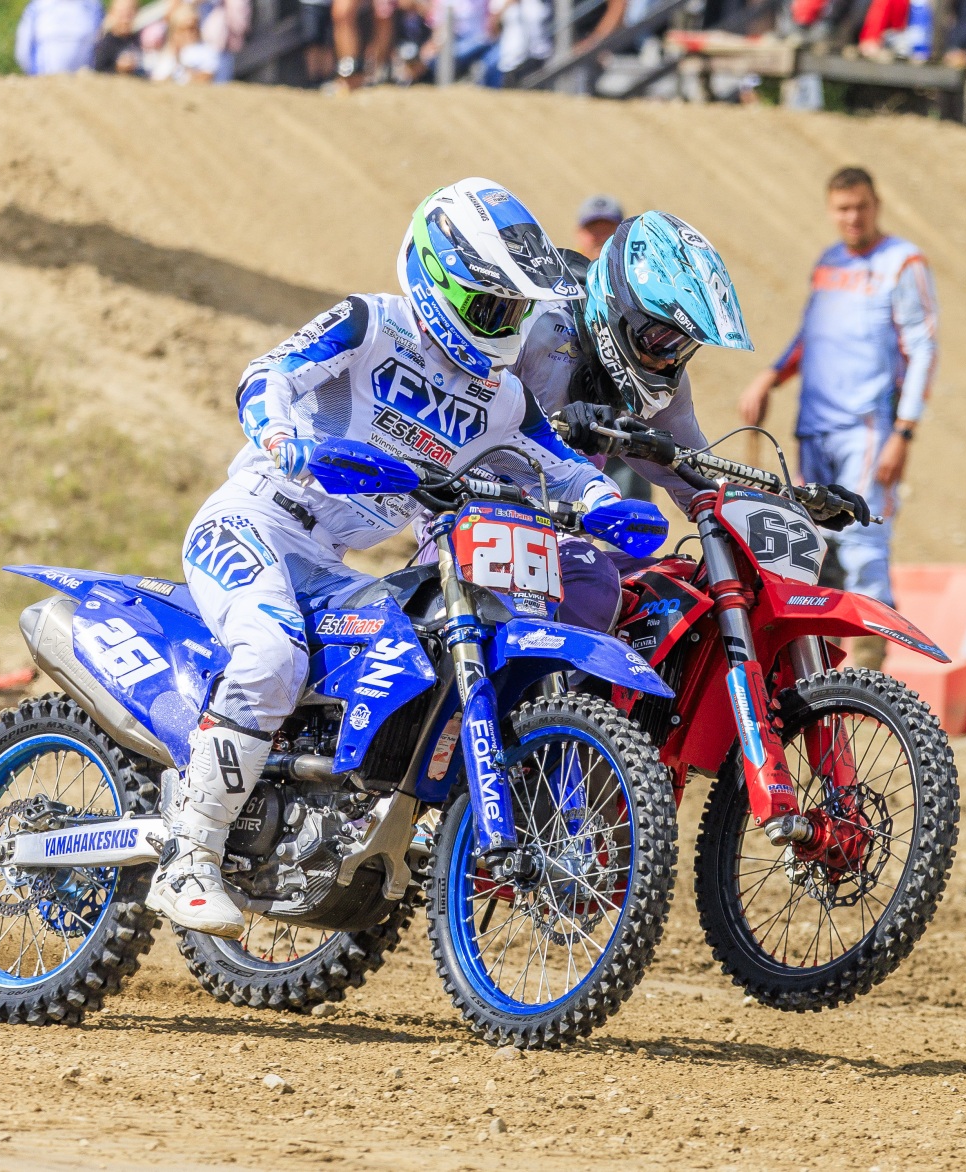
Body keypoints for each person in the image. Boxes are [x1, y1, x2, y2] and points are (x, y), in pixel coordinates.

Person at [151, 178, 630, 937]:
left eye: (515, 310)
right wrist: (284, 437)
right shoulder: (371, 323)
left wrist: (608, 504)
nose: (505, 325)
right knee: (272, 655)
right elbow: (266, 375)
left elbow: (561, 464)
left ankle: (328, 826)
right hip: (254, 521)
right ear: (440, 279)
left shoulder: (501, 398)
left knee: (412, 652)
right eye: (491, 306)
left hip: (332, 561)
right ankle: (189, 857)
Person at [524, 212, 875, 631]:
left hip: (561, 544)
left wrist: (796, 503)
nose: (668, 360)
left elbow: (697, 476)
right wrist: (544, 423)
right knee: (592, 586)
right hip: (482, 525)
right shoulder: (536, 325)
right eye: (661, 340)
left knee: (682, 597)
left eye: (683, 345)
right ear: (617, 308)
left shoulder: (662, 385)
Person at [736, 167, 937, 669]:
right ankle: (819, 667)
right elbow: (811, 337)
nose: (853, 217)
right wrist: (769, 378)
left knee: (864, 537)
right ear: (831, 210)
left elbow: (922, 349)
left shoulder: (902, 262)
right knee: (812, 542)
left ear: (877, 205)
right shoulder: (827, 263)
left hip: (867, 426)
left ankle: (869, 669)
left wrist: (904, 431)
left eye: (861, 206)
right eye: (843, 208)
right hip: (813, 427)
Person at [15, 0, 105, 75]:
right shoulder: (37, 6)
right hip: (44, 80)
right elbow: (23, 48)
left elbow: (102, 41)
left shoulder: (93, 5)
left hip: (84, 83)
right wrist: (33, 74)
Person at [94, 0, 145, 73]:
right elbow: (98, 71)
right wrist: (118, 68)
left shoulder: (138, 39)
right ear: (112, 14)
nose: (125, 19)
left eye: (129, 13)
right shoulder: (106, 43)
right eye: (122, 13)